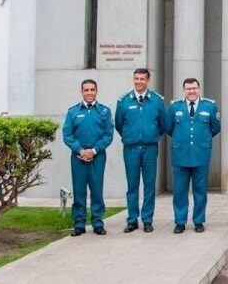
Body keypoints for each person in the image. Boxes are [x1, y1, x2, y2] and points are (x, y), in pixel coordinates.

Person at [164, 78, 220, 234]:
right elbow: (169, 128)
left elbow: (215, 128)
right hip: (180, 154)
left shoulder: (209, 106)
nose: (191, 91)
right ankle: (180, 221)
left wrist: (202, 140)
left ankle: (198, 221)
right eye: (188, 88)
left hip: (201, 154)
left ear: (199, 89)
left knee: (200, 190)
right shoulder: (175, 107)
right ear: (184, 90)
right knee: (180, 190)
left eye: (194, 88)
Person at [114, 68, 166, 233]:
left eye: (142, 79)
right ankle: (132, 220)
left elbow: (163, 125)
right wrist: (130, 136)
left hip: (150, 149)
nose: (138, 82)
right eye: (136, 79)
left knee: (149, 186)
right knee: (132, 186)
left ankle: (147, 219)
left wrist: (152, 136)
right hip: (131, 149)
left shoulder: (157, 101)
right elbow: (119, 124)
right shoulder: (124, 101)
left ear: (148, 81)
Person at [62, 79, 114, 236]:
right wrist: (80, 150)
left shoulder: (104, 111)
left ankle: (98, 222)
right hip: (78, 158)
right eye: (86, 90)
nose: (89, 92)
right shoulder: (73, 112)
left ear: (96, 91)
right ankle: (79, 224)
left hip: (97, 158)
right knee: (79, 191)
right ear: (82, 92)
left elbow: (108, 135)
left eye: (92, 90)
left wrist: (94, 150)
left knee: (96, 190)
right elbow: (67, 134)